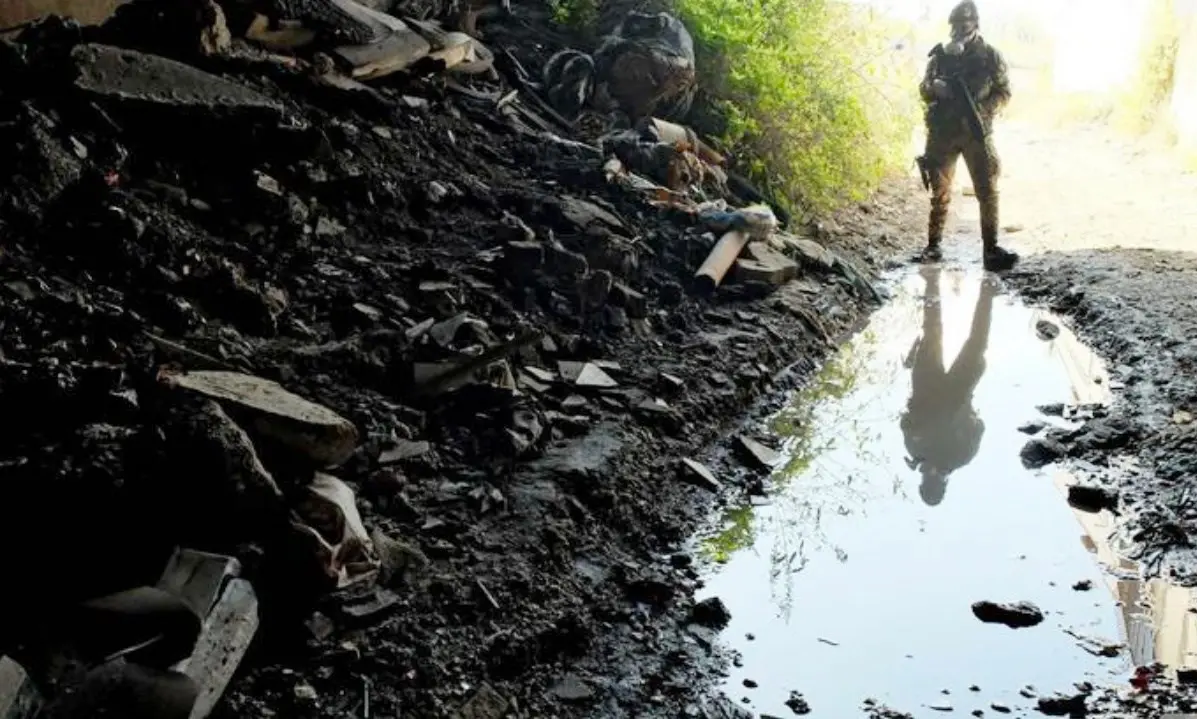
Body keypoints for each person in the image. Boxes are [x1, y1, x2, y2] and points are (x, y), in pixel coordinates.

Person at [917, 1, 1018, 271]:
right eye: (955, 25)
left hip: (976, 133)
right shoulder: (941, 56)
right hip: (943, 133)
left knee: (987, 190)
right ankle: (934, 245)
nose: (959, 29)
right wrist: (933, 87)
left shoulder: (990, 56)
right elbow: (923, 89)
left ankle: (991, 250)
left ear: (975, 24)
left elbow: (1004, 92)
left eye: (965, 24)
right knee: (940, 190)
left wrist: (984, 109)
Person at [900, 266, 995, 506]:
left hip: (927, 386)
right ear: (944, 482)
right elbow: (980, 427)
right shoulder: (960, 457)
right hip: (958, 393)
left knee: (933, 333)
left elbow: (904, 420)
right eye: (936, 480)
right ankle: (987, 293)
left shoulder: (916, 451)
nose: (932, 473)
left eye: (927, 479)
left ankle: (932, 281)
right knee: (975, 344)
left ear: (922, 481)